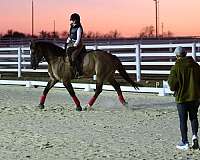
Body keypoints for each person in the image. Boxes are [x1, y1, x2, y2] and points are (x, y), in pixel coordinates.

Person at [168, 46, 200, 150]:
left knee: (183, 120)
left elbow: (172, 85)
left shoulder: (175, 68)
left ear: (177, 56)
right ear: (185, 54)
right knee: (194, 117)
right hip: (195, 96)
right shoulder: (195, 66)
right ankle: (195, 136)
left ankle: (184, 141)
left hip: (182, 98)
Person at [65, 13, 84, 77]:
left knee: (73, 57)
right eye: (72, 20)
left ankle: (79, 71)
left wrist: (75, 45)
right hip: (72, 43)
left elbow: (78, 38)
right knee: (66, 53)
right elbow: (70, 35)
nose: (72, 21)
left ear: (76, 20)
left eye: (73, 20)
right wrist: (67, 41)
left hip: (78, 44)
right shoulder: (72, 26)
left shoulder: (79, 28)